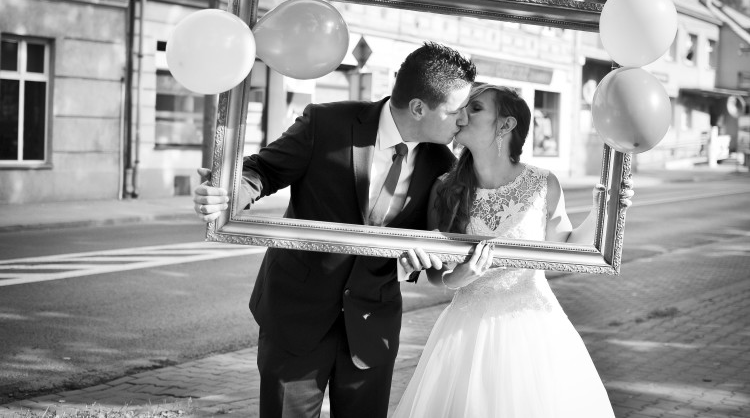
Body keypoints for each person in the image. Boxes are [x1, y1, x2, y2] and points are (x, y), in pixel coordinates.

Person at [192, 42, 476, 418]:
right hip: (296, 315)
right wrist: (227, 194)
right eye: (456, 111)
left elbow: (428, 249)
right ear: (419, 108)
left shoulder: (444, 166)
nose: (463, 120)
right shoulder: (327, 122)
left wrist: (423, 261)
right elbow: (264, 170)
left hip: (372, 328)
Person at [392, 83, 633, 418]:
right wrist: (458, 277)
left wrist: (602, 210)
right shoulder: (444, 188)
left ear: (505, 124)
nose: (461, 114)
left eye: (475, 108)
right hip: (465, 332)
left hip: (533, 329)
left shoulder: (543, 184)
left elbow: (565, 250)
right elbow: (436, 274)